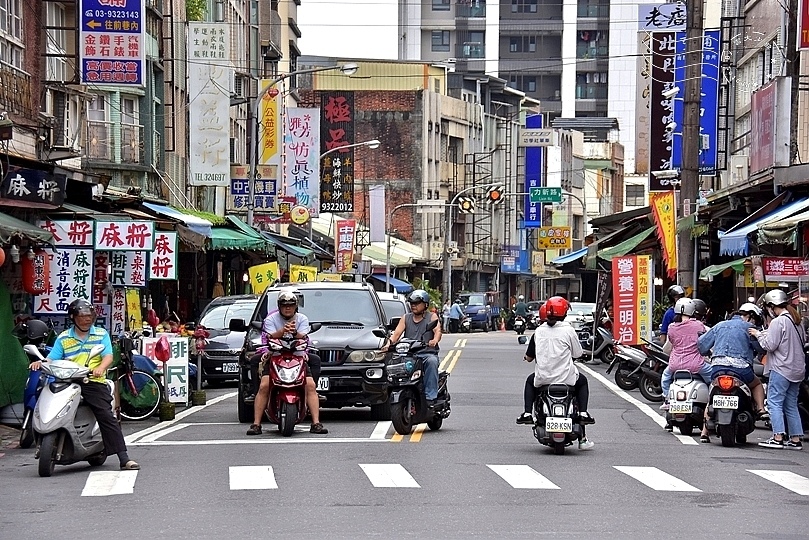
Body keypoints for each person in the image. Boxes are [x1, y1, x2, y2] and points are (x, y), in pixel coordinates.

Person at [29, 299, 139, 470]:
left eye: (90, 316)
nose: (87, 320)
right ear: (73, 317)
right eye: (83, 317)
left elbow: (108, 356)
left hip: (92, 381)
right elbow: (52, 358)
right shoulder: (64, 337)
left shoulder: (100, 334)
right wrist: (40, 362)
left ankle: (124, 458)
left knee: (106, 416)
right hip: (67, 380)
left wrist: (100, 368)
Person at [515, 296, 595, 450]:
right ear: (564, 313)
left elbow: (529, 357)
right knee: (583, 381)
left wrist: (528, 357)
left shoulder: (538, 331)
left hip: (543, 378)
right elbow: (578, 354)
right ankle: (583, 413)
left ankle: (527, 412)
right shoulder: (569, 330)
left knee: (529, 381)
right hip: (567, 378)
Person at [247, 288, 328, 435]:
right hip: (275, 356)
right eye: (284, 305)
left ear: (296, 306)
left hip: (297, 357)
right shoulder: (271, 319)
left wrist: (294, 333)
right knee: (264, 385)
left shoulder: (302, 319)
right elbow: (270, 336)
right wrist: (283, 331)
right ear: (279, 306)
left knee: (310, 385)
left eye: (291, 305)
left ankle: (316, 423)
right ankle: (256, 424)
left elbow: (303, 336)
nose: (288, 308)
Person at [697, 302, 766, 442]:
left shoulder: (719, 325)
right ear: (749, 316)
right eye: (755, 319)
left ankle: (704, 432)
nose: (755, 322)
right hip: (741, 370)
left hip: (717, 369)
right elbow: (761, 349)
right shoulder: (750, 328)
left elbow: (702, 345)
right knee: (757, 384)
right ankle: (761, 409)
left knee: (712, 395)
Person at [750, 289, 806, 450]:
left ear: (772, 306)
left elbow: (769, 345)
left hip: (781, 368)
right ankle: (795, 439)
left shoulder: (778, 322)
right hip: (797, 369)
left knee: (774, 402)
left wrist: (758, 334)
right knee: (791, 404)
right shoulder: (797, 321)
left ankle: (778, 437)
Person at [659, 298, 713, 433]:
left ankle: (667, 399)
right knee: (714, 380)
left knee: (665, 377)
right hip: (697, 364)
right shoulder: (699, 326)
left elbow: (669, 344)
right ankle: (712, 403)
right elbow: (705, 342)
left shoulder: (671, 327)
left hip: (675, 365)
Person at [384, 290, 442, 405]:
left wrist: (434, 340)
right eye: (412, 303)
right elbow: (396, 334)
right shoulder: (406, 318)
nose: (413, 306)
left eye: (417, 303)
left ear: (425, 304)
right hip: (409, 354)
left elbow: (438, 331)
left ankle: (430, 397)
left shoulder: (431, 316)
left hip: (426, 353)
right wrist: (388, 344)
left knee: (431, 362)